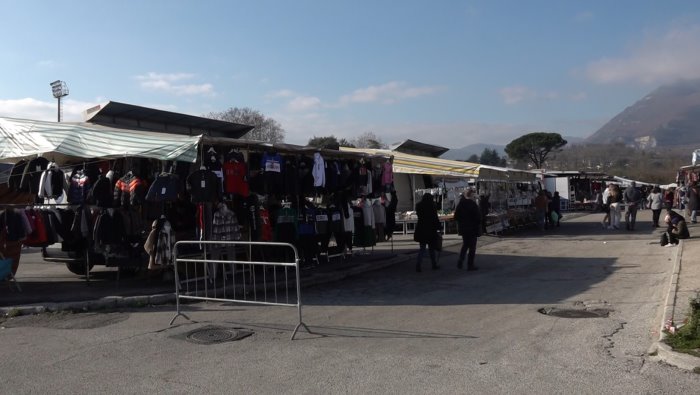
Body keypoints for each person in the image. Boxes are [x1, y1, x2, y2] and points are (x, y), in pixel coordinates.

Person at [454, 189, 481, 271]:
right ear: (471, 195)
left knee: (465, 245)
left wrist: (462, 221)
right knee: (472, 247)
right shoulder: (473, 205)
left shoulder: (460, 204)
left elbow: (456, 217)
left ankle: (461, 259)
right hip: (472, 228)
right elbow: (478, 217)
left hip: (463, 228)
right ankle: (470, 265)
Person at [414, 193, 440, 272]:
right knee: (431, 249)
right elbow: (435, 218)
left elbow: (419, 216)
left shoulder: (418, 206)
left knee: (422, 249)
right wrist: (439, 227)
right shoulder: (432, 206)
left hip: (421, 229)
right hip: (431, 229)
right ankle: (434, 264)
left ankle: (418, 264)